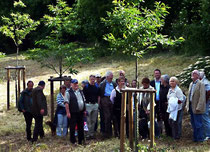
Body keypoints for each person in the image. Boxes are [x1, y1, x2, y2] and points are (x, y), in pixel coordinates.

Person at [186, 70, 206, 142]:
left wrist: (199, 107)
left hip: (197, 107)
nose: (192, 75)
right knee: (193, 123)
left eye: (194, 74)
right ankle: (195, 138)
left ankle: (200, 139)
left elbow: (202, 97)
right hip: (191, 105)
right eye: (192, 73)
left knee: (198, 124)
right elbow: (189, 95)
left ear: (198, 76)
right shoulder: (191, 84)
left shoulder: (201, 84)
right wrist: (187, 105)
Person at [64, 79, 86, 145]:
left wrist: (84, 110)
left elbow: (84, 101)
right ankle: (73, 141)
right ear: (71, 84)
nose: (76, 85)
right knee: (72, 127)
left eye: (76, 83)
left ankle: (81, 141)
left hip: (81, 112)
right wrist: (68, 112)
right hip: (73, 112)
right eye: (74, 84)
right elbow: (66, 103)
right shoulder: (68, 92)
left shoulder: (80, 91)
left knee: (81, 127)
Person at [99, 71, 117, 138]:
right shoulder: (102, 84)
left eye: (112, 78)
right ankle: (108, 133)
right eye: (110, 78)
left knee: (114, 117)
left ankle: (116, 132)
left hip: (112, 99)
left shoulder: (114, 83)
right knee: (107, 117)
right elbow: (100, 94)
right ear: (106, 77)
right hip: (105, 100)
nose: (111, 79)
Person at [83, 75, 99, 139]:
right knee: (88, 120)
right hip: (88, 105)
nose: (92, 80)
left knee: (93, 120)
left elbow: (99, 96)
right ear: (89, 79)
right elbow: (83, 97)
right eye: (91, 79)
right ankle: (87, 134)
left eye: (93, 79)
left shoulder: (97, 87)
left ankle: (92, 134)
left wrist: (98, 104)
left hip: (95, 105)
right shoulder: (86, 87)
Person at [150, 69, 162, 134]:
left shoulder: (162, 82)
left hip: (161, 102)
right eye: (155, 73)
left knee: (160, 116)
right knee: (153, 116)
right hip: (153, 102)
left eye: (158, 73)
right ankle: (154, 131)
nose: (157, 74)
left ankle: (160, 131)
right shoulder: (151, 83)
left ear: (160, 74)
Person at [199, 71, 210, 140]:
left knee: (205, 118)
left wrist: (204, 102)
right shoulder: (202, 81)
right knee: (203, 118)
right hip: (202, 102)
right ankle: (204, 134)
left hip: (205, 103)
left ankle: (208, 135)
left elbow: (208, 92)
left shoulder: (205, 82)